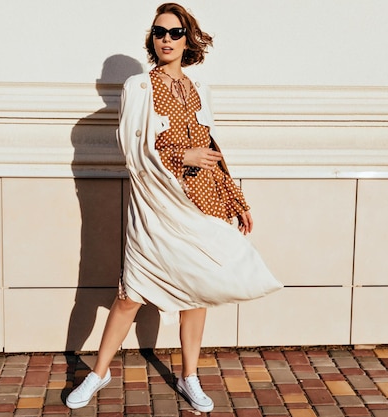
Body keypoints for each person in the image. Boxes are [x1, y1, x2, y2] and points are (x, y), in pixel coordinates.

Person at [66, 3, 282, 413]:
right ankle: (98, 372)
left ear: (188, 39)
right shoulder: (138, 87)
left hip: (204, 203)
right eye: (159, 32)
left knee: (196, 292)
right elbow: (133, 150)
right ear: (152, 39)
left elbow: (214, 149)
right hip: (157, 205)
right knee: (131, 292)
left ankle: (189, 376)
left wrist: (237, 200)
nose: (166, 39)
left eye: (175, 32)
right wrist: (184, 156)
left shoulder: (201, 89)